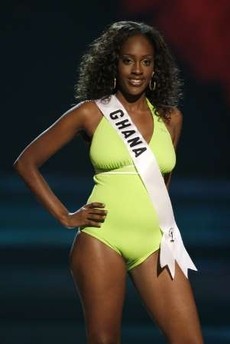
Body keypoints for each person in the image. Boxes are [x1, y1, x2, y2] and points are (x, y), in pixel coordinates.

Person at [14, 20, 204, 343]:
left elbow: (161, 180)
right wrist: (65, 216)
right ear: (114, 62)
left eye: (146, 62)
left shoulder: (171, 119)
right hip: (103, 239)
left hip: (153, 245)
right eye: (128, 60)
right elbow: (26, 162)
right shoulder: (91, 113)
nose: (137, 70)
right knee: (104, 340)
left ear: (155, 68)